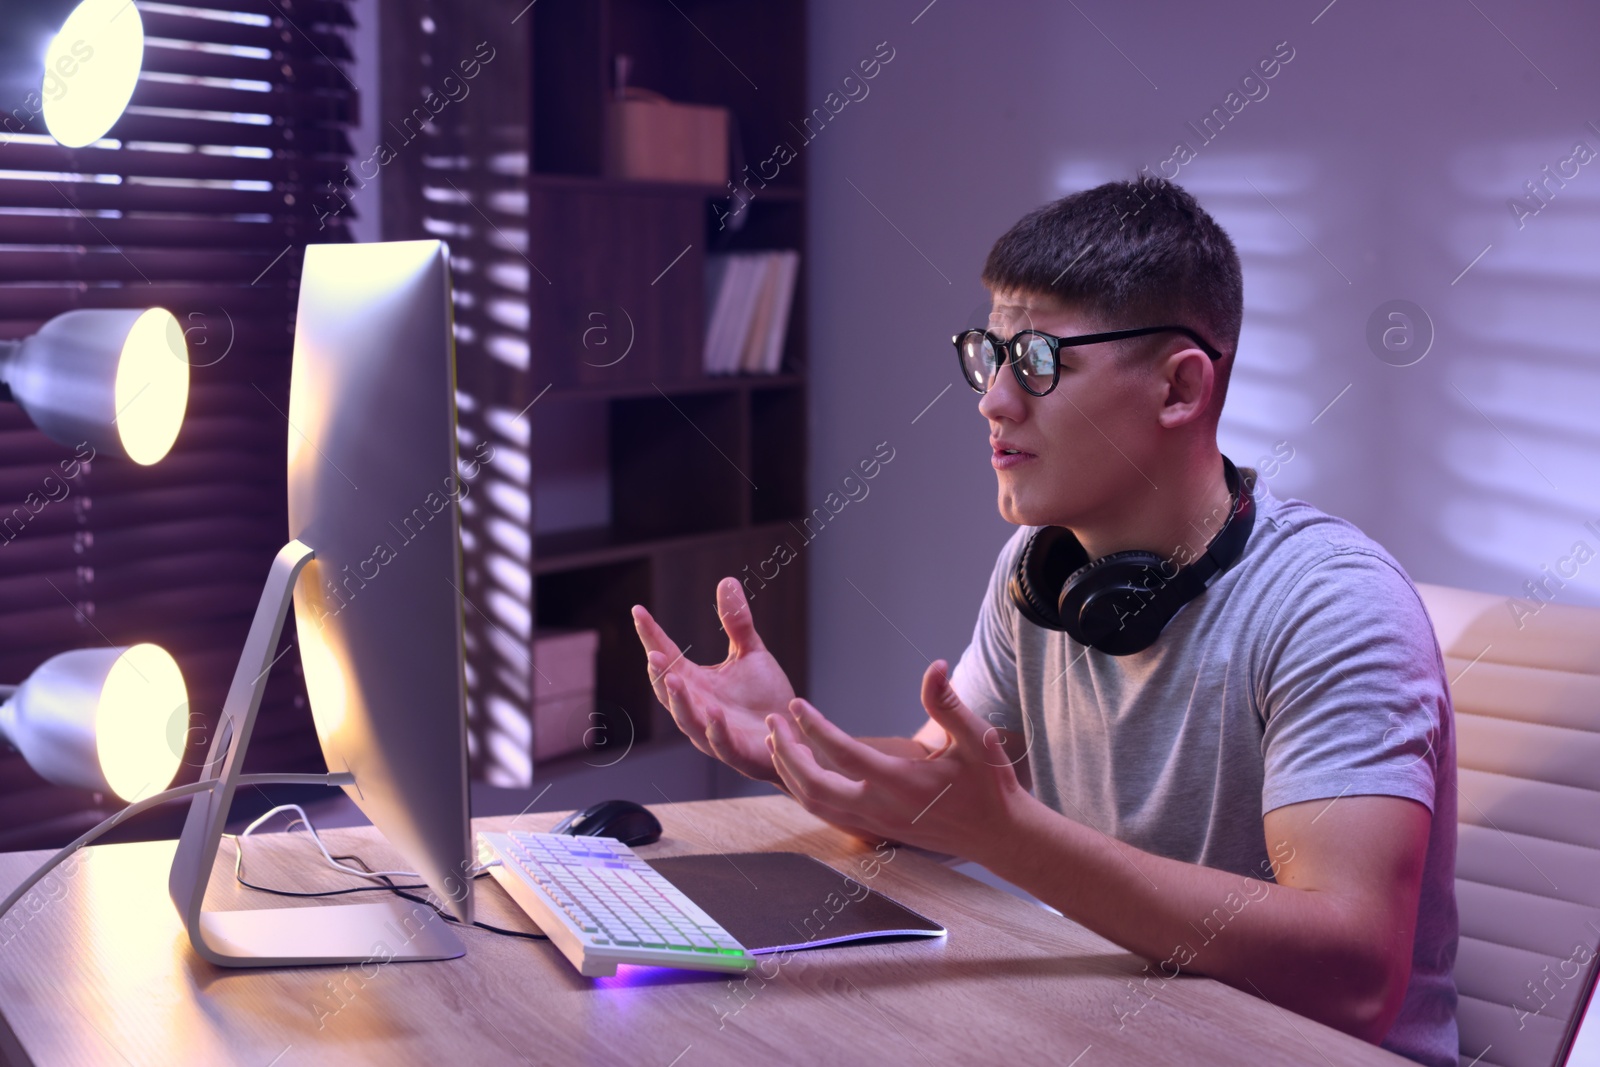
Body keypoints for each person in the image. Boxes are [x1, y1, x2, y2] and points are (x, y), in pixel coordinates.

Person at [631, 176, 1457, 1067]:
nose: (992, 402)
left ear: (1179, 387)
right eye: (990, 356)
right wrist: (789, 739)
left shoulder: (1333, 605)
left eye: (1035, 361)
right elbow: (945, 788)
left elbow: (1357, 981)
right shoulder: (1044, 572)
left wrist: (1009, 838)